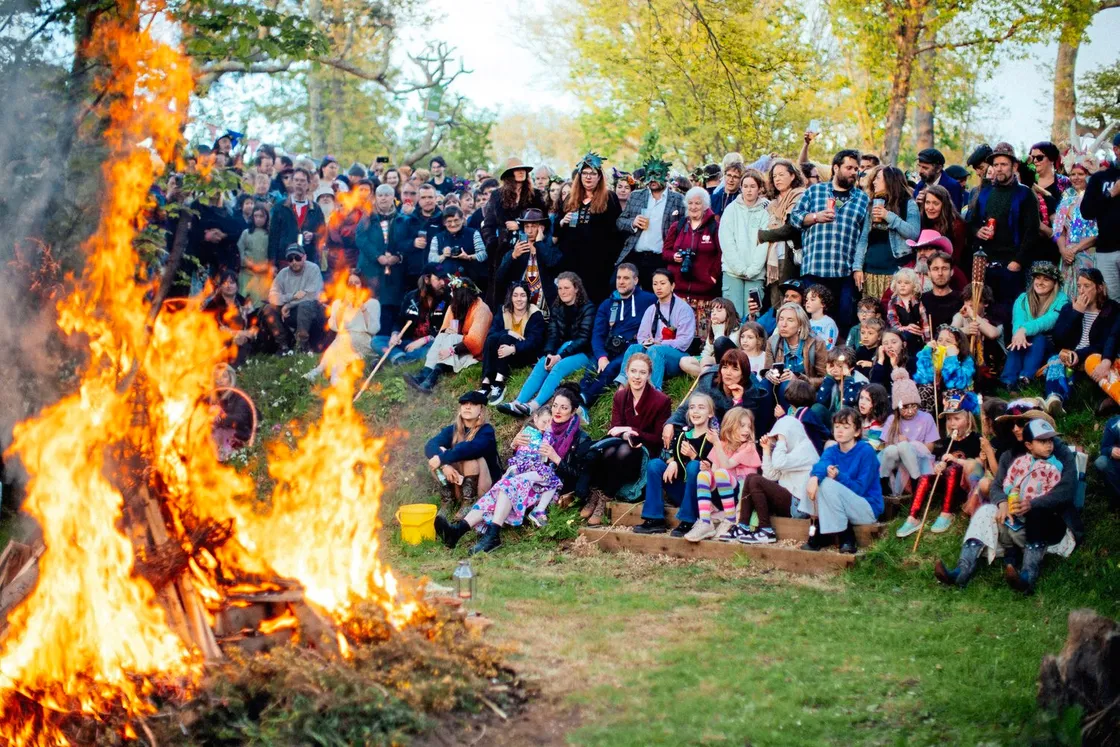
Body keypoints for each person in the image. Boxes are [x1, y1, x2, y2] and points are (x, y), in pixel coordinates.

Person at [583, 353, 673, 519]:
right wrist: (626, 434)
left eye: (642, 372)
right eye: (633, 371)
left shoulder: (662, 401)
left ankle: (604, 498)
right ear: (627, 372)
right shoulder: (620, 396)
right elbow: (614, 429)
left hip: (646, 450)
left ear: (649, 375)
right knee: (611, 451)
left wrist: (632, 430)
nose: (637, 377)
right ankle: (596, 494)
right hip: (622, 444)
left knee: (624, 452)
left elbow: (657, 439)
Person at [791, 149, 869, 331]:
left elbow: (863, 238)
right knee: (814, 322)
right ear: (835, 167)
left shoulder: (862, 199)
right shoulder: (815, 191)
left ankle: (840, 359)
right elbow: (795, 218)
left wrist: (857, 267)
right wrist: (816, 217)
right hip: (816, 267)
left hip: (844, 270)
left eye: (856, 169)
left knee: (844, 319)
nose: (853, 172)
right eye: (849, 167)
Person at [498, 272, 595, 417]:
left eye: (567, 288)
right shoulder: (556, 307)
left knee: (559, 367)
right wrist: (550, 352)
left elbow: (584, 339)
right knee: (543, 362)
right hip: (561, 349)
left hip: (583, 352)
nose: (563, 292)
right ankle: (517, 402)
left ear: (576, 289)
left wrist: (560, 356)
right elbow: (552, 334)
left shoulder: (588, 308)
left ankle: (533, 405)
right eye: (560, 288)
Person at [967, 142, 1042, 311]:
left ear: (1014, 166)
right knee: (985, 312)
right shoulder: (984, 192)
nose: (999, 168)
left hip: (1011, 266)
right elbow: (971, 223)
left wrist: (1018, 262)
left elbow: (1032, 232)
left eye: (1003, 164)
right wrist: (978, 231)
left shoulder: (1025, 194)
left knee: (1010, 314)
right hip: (986, 265)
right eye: (995, 164)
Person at [895, 396, 982, 538]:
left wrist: (956, 460)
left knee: (954, 468)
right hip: (946, 485)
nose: (952, 423)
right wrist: (938, 466)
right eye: (948, 419)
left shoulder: (976, 440)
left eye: (956, 419)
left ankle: (946, 513)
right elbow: (940, 461)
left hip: (964, 486)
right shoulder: (946, 441)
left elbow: (978, 468)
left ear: (968, 419)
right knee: (927, 473)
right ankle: (913, 517)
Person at [632, 392, 717, 537]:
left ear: (710, 414)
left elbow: (711, 467)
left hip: (700, 497)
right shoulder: (682, 435)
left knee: (694, 466)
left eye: (701, 407)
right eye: (692, 407)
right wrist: (671, 462)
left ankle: (688, 520)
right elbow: (671, 453)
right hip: (681, 491)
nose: (695, 411)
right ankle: (654, 518)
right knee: (655, 465)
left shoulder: (712, 438)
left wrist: (693, 456)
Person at [802, 407, 883, 553]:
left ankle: (847, 536)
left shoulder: (866, 452)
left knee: (826, 484)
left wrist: (839, 476)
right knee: (813, 478)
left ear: (857, 431)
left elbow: (860, 489)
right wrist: (814, 478)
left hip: (866, 507)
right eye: (837, 426)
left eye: (846, 427)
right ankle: (817, 529)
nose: (839, 431)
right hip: (843, 505)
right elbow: (821, 465)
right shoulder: (832, 450)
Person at [728, 415, 818, 544]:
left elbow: (779, 463)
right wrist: (766, 450)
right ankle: (742, 526)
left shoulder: (805, 449)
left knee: (755, 480)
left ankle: (766, 530)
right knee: (751, 478)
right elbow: (771, 476)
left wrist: (781, 440)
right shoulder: (788, 451)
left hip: (799, 506)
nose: (778, 440)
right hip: (790, 500)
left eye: (780, 436)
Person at [579, 263, 657, 408]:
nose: (621, 282)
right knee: (591, 370)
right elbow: (597, 334)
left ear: (636, 280)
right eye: (619, 278)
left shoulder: (649, 300)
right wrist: (601, 356)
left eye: (626, 278)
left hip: (632, 348)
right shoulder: (607, 304)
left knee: (612, 368)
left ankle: (585, 400)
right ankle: (577, 399)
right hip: (609, 348)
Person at [1043, 267, 1119, 413]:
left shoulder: (1112, 309)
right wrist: (1076, 313)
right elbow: (1059, 339)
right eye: (1079, 286)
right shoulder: (1068, 308)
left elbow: (1106, 342)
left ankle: (1065, 396)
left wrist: (1080, 354)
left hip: (1094, 356)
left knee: (1081, 369)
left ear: (1099, 287)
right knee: (1055, 359)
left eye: (1087, 286)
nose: (1082, 291)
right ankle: (1055, 400)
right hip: (1070, 355)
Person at [612, 269, 696, 390]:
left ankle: (653, 391)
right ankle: (622, 387)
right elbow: (641, 336)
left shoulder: (683, 309)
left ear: (672, 286)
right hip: (653, 352)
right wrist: (647, 342)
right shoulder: (651, 309)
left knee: (656, 350)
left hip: (676, 355)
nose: (658, 287)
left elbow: (684, 342)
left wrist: (661, 343)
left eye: (662, 283)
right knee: (634, 347)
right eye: (655, 284)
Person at [407, 276, 493, 393]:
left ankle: (433, 378)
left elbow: (476, 343)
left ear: (462, 294)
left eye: (454, 292)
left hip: (473, 351)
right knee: (443, 336)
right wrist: (447, 332)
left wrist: (451, 350)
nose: (451, 295)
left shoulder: (481, 309)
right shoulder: (455, 306)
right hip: (456, 344)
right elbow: (445, 330)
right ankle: (424, 374)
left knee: (451, 337)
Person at [556, 153, 623, 302]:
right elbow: (558, 230)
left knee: (595, 301)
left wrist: (611, 261)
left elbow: (616, 232)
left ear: (599, 177)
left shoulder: (609, 198)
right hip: (572, 261)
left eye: (592, 173)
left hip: (598, 264)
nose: (588, 177)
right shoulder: (570, 198)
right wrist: (562, 222)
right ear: (579, 176)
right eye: (585, 173)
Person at [687, 407, 761, 542]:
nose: (746, 430)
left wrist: (716, 444)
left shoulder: (748, 447)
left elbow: (726, 465)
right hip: (722, 497)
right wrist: (708, 469)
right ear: (730, 426)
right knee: (703, 475)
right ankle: (705, 522)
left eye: (749, 427)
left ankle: (730, 519)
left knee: (721, 473)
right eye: (742, 426)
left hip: (740, 495)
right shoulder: (722, 445)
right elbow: (715, 471)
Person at [482, 158, 548, 307]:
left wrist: (519, 224)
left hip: (529, 250)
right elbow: (488, 225)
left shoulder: (535, 195)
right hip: (504, 250)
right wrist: (493, 245)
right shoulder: (497, 196)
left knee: (528, 293)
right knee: (501, 295)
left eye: (523, 169)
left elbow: (545, 222)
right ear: (509, 174)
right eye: (517, 169)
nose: (521, 172)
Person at [855, 165, 921, 301]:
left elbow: (914, 234)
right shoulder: (873, 204)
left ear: (890, 180)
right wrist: (857, 267)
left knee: (892, 315)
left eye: (878, 178)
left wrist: (889, 216)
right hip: (870, 271)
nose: (873, 182)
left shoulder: (908, 204)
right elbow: (863, 239)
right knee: (871, 316)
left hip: (896, 272)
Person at [616, 158, 685, 287]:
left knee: (653, 297)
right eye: (649, 174)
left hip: (660, 258)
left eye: (657, 174)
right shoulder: (636, 195)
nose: (652, 179)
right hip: (635, 256)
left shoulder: (678, 200)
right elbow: (620, 222)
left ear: (667, 176)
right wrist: (633, 223)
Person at [425, 390, 500, 508]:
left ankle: (469, 504)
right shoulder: (453, 429)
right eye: (465, 403)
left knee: (471, 459)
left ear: (481, 409)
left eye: (473, 404)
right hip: (459, 483)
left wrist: (443, 458)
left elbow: (471, 449)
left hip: (486, 487)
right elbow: (430, 445)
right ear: (460, 408)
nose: (468, 407)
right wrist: (445, 465)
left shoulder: (486, 431)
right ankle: (449, 500)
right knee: (435, 455)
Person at [356, 184, 415, 333]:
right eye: (380, 195)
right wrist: (377, 256)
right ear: (375, 197)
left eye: (387, 195)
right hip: (371, 269)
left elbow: (407, 240)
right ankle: (369, 336)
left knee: (391, 304)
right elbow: (360, 239)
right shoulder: (368, 216)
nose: (383, 198)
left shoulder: (401, 218)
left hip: (394, 270)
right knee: (371, 302)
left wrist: (398, 257)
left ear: (393, 198)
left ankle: (388, 337)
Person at [1001, 261, 1068, 391]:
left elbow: (1050, 320)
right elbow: (1018, 320)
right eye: (1037, 278)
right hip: (1024, 341)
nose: (1040, 282)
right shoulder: (1023, 298)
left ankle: (1025, 378)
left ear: (1055, 283)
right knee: (1018, 339)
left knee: (1038, 338)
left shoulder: (1062, 300)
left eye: (1046, 279)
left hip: (1049, 345)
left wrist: (1023, 330)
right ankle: (1008, 381)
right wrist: (1019, 333)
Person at [304, 270, 380, 384]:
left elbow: (373, 330)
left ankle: (320, 370)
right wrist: (344, 306)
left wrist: (363, 308)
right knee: (342, 338)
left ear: (363, 285)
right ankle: (334, 374)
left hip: (363, 341)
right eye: (350, 283)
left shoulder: (372, 303)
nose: (353, 286)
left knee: (343, 339)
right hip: (343, 340)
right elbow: (335, 327)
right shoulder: (338, 304)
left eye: (357, 283)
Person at [479, 281, 546, 405]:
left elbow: (534, 341)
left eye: (522, 295)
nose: (519, 299)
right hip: (503, 353)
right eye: (515, 295)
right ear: (511, 296)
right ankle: (486, 383)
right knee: (492, 339)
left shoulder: (535, 314)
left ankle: (499, 382)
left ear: (528, 297)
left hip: (524, 354)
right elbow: (491, 333)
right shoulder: (504, 310)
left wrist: (514, 348)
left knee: (505, 339)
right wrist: (509, 331)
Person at [372, 263, 449, 365]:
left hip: (430, 343)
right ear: (426, 279)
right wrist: (395, 335)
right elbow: (400, 320)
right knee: (377, 340)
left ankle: (396, 358)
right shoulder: (411, 297)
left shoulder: (447, 299)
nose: (443, 282)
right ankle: (401, 359)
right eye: (439, 278)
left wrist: (425, 339)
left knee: (435, 348)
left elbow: (446, 329)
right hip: (407, 342)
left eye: (444, 278)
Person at [717, 168, 769, 317]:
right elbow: (726, 241)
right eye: (745, 186)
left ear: (759, 188)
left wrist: (753, 269)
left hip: (755, 273)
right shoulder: (731, 209)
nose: (749, 190)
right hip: (732, 271)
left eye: (753, 186)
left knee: (752, 316)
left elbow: (764, 242)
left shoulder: (766, 211)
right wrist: (739, 268)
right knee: (733, 315)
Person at [879, 369, 938, 497]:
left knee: (904, 446)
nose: (910, 411)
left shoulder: (926, 418)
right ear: (897, 407)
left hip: (919, 460)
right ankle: (884, 484)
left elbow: (930, 447)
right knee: (891, 450)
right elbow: (885, 446)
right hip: (895, 462)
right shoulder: (892, 420)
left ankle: (917, 483)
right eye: (905, 407)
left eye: (914, 406)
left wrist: (909, 445)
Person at [759, 159, 807, 308]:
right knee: (775, 303)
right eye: (774, 176)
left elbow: (791, 228)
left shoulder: (800, 195)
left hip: (791, 257)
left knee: (789, 302)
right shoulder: (772, 204)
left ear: (792, 176)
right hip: (772, 258)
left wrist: (763, 235)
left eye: (781, 175)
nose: (777, 179)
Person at [496, 208, 562, 313]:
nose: (530, 231)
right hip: (521, 303)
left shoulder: (550, 248)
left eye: (534, 226)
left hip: (545, 304)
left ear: (542, 228)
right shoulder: (518, 249)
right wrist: (512, 256)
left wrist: (539, 243)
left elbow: (551, 263)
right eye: (527, 227)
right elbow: (499, 277)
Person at [1079, 134, 1120, 301]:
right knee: (1112, 301)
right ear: (1116, 150)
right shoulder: (1100, 178)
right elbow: (1086, 211)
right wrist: (1111, 194)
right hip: (1107, 250)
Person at [261, 245, 325, 353]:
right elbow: (272, 296)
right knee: (268, 308)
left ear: (304, 257)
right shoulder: (283, 273)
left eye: (297, 258)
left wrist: (288, 305)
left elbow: (314, 295)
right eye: (290, 259)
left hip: (312, 312)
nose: (294, 262)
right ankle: (283, 345)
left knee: (305, 305)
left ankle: (302, 345)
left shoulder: (313, 269)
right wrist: (292, 296)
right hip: (289, 313)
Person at [1054, 156, 1099, 297]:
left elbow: (1098, 233)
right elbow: (1059, 230)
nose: (1076, 177)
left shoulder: (1096, 199)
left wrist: (1075, 249)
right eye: (1073, 174)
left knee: (1087, 295)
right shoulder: (1066, 199)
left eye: (1081, 174)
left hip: (1088, 255)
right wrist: (1063, 250)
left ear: (1089, 175)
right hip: (1067, 257)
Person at [765, 302, 829, 394]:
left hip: (807, 393)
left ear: (800, 325)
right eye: (781, 319)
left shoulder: (817, 343)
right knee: (765, 384)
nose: (783, 324)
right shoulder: (772, 341)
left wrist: (799, 380)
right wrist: (769, 375)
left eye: (790, 320)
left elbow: (825, 379)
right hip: (779, 391)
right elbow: (767, 369)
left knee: (787, 385)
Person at [267, 167, 324, 268]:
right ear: (292, 183)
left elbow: (323, 234)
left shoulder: (315, 209)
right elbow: (273, 238)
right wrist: (272, 264)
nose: (299, 183)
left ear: (308, 184)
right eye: (296, 180)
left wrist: (313, 236)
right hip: (285, 260)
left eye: (302, 181)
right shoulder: (280, 207)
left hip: (308, 260)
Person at [203, 270, 257, 366]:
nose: (228, 286)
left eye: (232, 283)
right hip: (220, 342)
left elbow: (254, 326)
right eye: (225, 283)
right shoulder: (213, 304)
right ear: (220, 287)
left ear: (237, 286)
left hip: (242, 341)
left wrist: (245, 336)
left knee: (244, 347)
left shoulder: (244, 302)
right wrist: (237, 335)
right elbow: (211, 329)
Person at [680, 297, 741, 377]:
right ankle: (711, 376)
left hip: (730, 360)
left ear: (729, 313)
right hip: (712, 361)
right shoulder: (715, 327)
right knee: (684, 361)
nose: (714, 313)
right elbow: (707, 350)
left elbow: (722, 347)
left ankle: (708, 378)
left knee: (707, 359)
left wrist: (719, 331)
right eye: (712, 311)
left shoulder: (737, 329)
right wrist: (702, 361)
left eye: (719, 310)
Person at [429, 206, 487, 285]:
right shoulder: (437, 238)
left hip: (470, 280)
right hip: (445, 281)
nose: (453, 224)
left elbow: (483, 254)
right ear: (444, 222)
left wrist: (469, 257)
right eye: (449, 221)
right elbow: (431, 260)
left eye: (456, 220)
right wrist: (443, 256)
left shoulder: (473, 233)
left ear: (462, 219)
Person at [210, 365, 257, 462]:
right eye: (217, 377)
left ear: (231, 378)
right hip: (218, 437)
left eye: (224, 376)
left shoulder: (239, 397)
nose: (220, 380)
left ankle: (223, 460)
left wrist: (222, 416)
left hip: (239, 435)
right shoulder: (212, 397)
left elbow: (240, 419)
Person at [885, 267, 930, 358]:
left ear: (914, 285)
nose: (902, 285)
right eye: (899, 282)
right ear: (895, 285)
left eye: (906, 283)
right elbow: (893, 323)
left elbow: (925, 324)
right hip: (899, 338)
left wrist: (927, 342)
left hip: (917, 339)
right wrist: (906, 328)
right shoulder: (892, 303)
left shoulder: (918, 302)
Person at [920, 184, 969, 265]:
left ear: (944, 205)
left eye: (935, 203)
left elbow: (955, 258)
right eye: (927, 202)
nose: (930, 207)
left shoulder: (956, 225)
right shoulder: (922, 220)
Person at [815, 346, 868, 414]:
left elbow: (847, 402)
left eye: (840, 366)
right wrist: (828, 378)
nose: (834, 370)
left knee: (844, 408)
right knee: (817, 407)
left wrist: (848, 379)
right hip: (831, 419)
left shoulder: (861, 381)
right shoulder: (831, 378)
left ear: (850, 368)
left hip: (849, 419)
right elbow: (820, 401)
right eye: (832, 365)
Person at [237, 202, 272, 306]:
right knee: (245, 303)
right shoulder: (246, 233)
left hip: (264, 275)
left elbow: (272, 254)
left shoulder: (270, 235)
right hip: (247, 274)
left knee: (262, 305)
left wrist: (266, 266)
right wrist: (250, 264)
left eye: (261, 216)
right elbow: (240, 252)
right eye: (256, 216)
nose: (258, 219)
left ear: (267, 217)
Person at [921, 250, 961, 332]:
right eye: (935, 269)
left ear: (952, 272)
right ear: (929, 273)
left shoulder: (962, 299)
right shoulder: (921, 300)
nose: (940, 273)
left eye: (944, 268)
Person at [1094, 416, 1120, 504]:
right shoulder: (1113, 423)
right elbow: (1104, 449)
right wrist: (1111, 450)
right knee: (1101, 462)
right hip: (1117, 465)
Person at [804, 284, 838, 350]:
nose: (808, 302)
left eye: (812, 299)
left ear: (823, 303)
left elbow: (829, 346)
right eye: (807, 300)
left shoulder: (829, 323)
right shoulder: (806, 323)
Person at [858, 383, 891, 450]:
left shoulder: (877, 423)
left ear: (877, 403)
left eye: (868, 400)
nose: (862, 402)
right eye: (861, 398)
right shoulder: (861, 419)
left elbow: (873, 445)